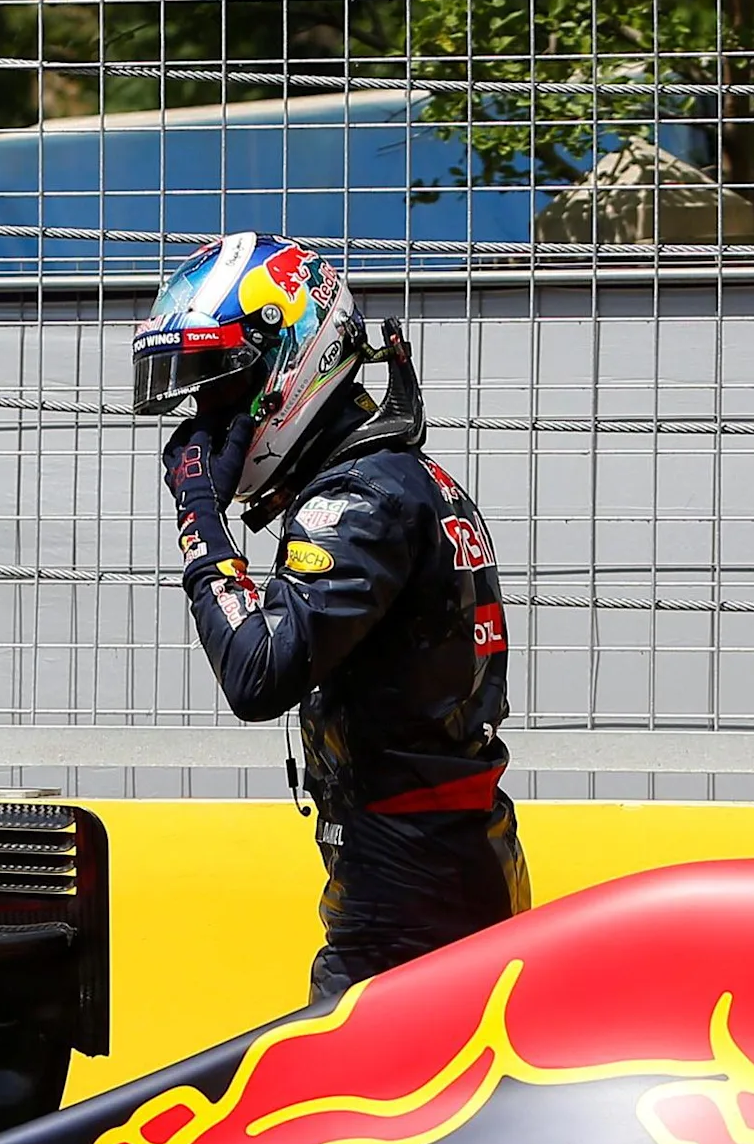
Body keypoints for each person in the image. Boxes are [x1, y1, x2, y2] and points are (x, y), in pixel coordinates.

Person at [133, 233, 527, 1002]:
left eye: (218, 388)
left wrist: (200, 523)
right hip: (438, 865)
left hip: (411, 896)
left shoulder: (356, 501)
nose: (201, 422)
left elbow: (258, 674)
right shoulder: (399, 477)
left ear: (292, 362)